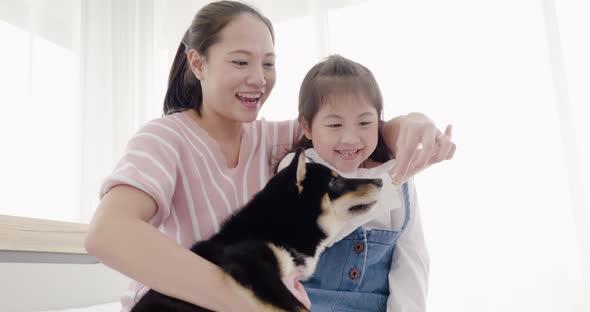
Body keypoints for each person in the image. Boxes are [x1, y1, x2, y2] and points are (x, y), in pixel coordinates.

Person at [84, 1, 455, 311]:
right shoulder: (165, 138)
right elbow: (107, 234)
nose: (259, 79)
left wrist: (411, 124)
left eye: (268, 63)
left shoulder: (273, 137)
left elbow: (347, 130)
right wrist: (249, 300)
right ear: (198, 64)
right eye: (241, 62)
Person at [278, 54, 433, 312]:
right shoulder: (298, 168)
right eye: (335, 124)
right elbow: (319, 232)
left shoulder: (395, 172)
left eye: (364, 122)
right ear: (307, 126)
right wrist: (391, 183)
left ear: (379, 122)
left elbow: (411, 260)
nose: (350, 138)